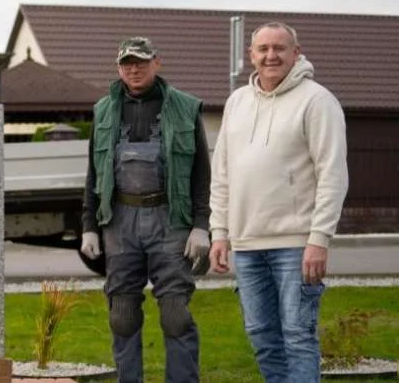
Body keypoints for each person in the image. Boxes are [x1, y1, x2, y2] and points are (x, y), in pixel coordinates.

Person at [209, 22, 348, 382]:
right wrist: (220, 232)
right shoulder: (237, 102)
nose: (271, 55)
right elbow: (222, 172)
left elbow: (332, 175)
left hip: (296, 245)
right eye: (263, 49)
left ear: (296, 53)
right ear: (251, 56)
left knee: (298, 337)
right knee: (262, 336)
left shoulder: (318, 101)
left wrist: (319, 239)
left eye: (279, 48)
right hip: (246, 245)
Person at [79, 37, 212, 382]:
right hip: (119, 221)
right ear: (119, 69)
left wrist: (201, 225)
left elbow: (201, 172)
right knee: (121, 313)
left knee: (175, 313)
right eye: (127, 64)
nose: (133, 69)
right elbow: (94, 173)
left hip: (171, 219)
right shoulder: (104, 110)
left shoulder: (185, 107)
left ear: (157, 62)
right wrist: (89, 225)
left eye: (140, 62)